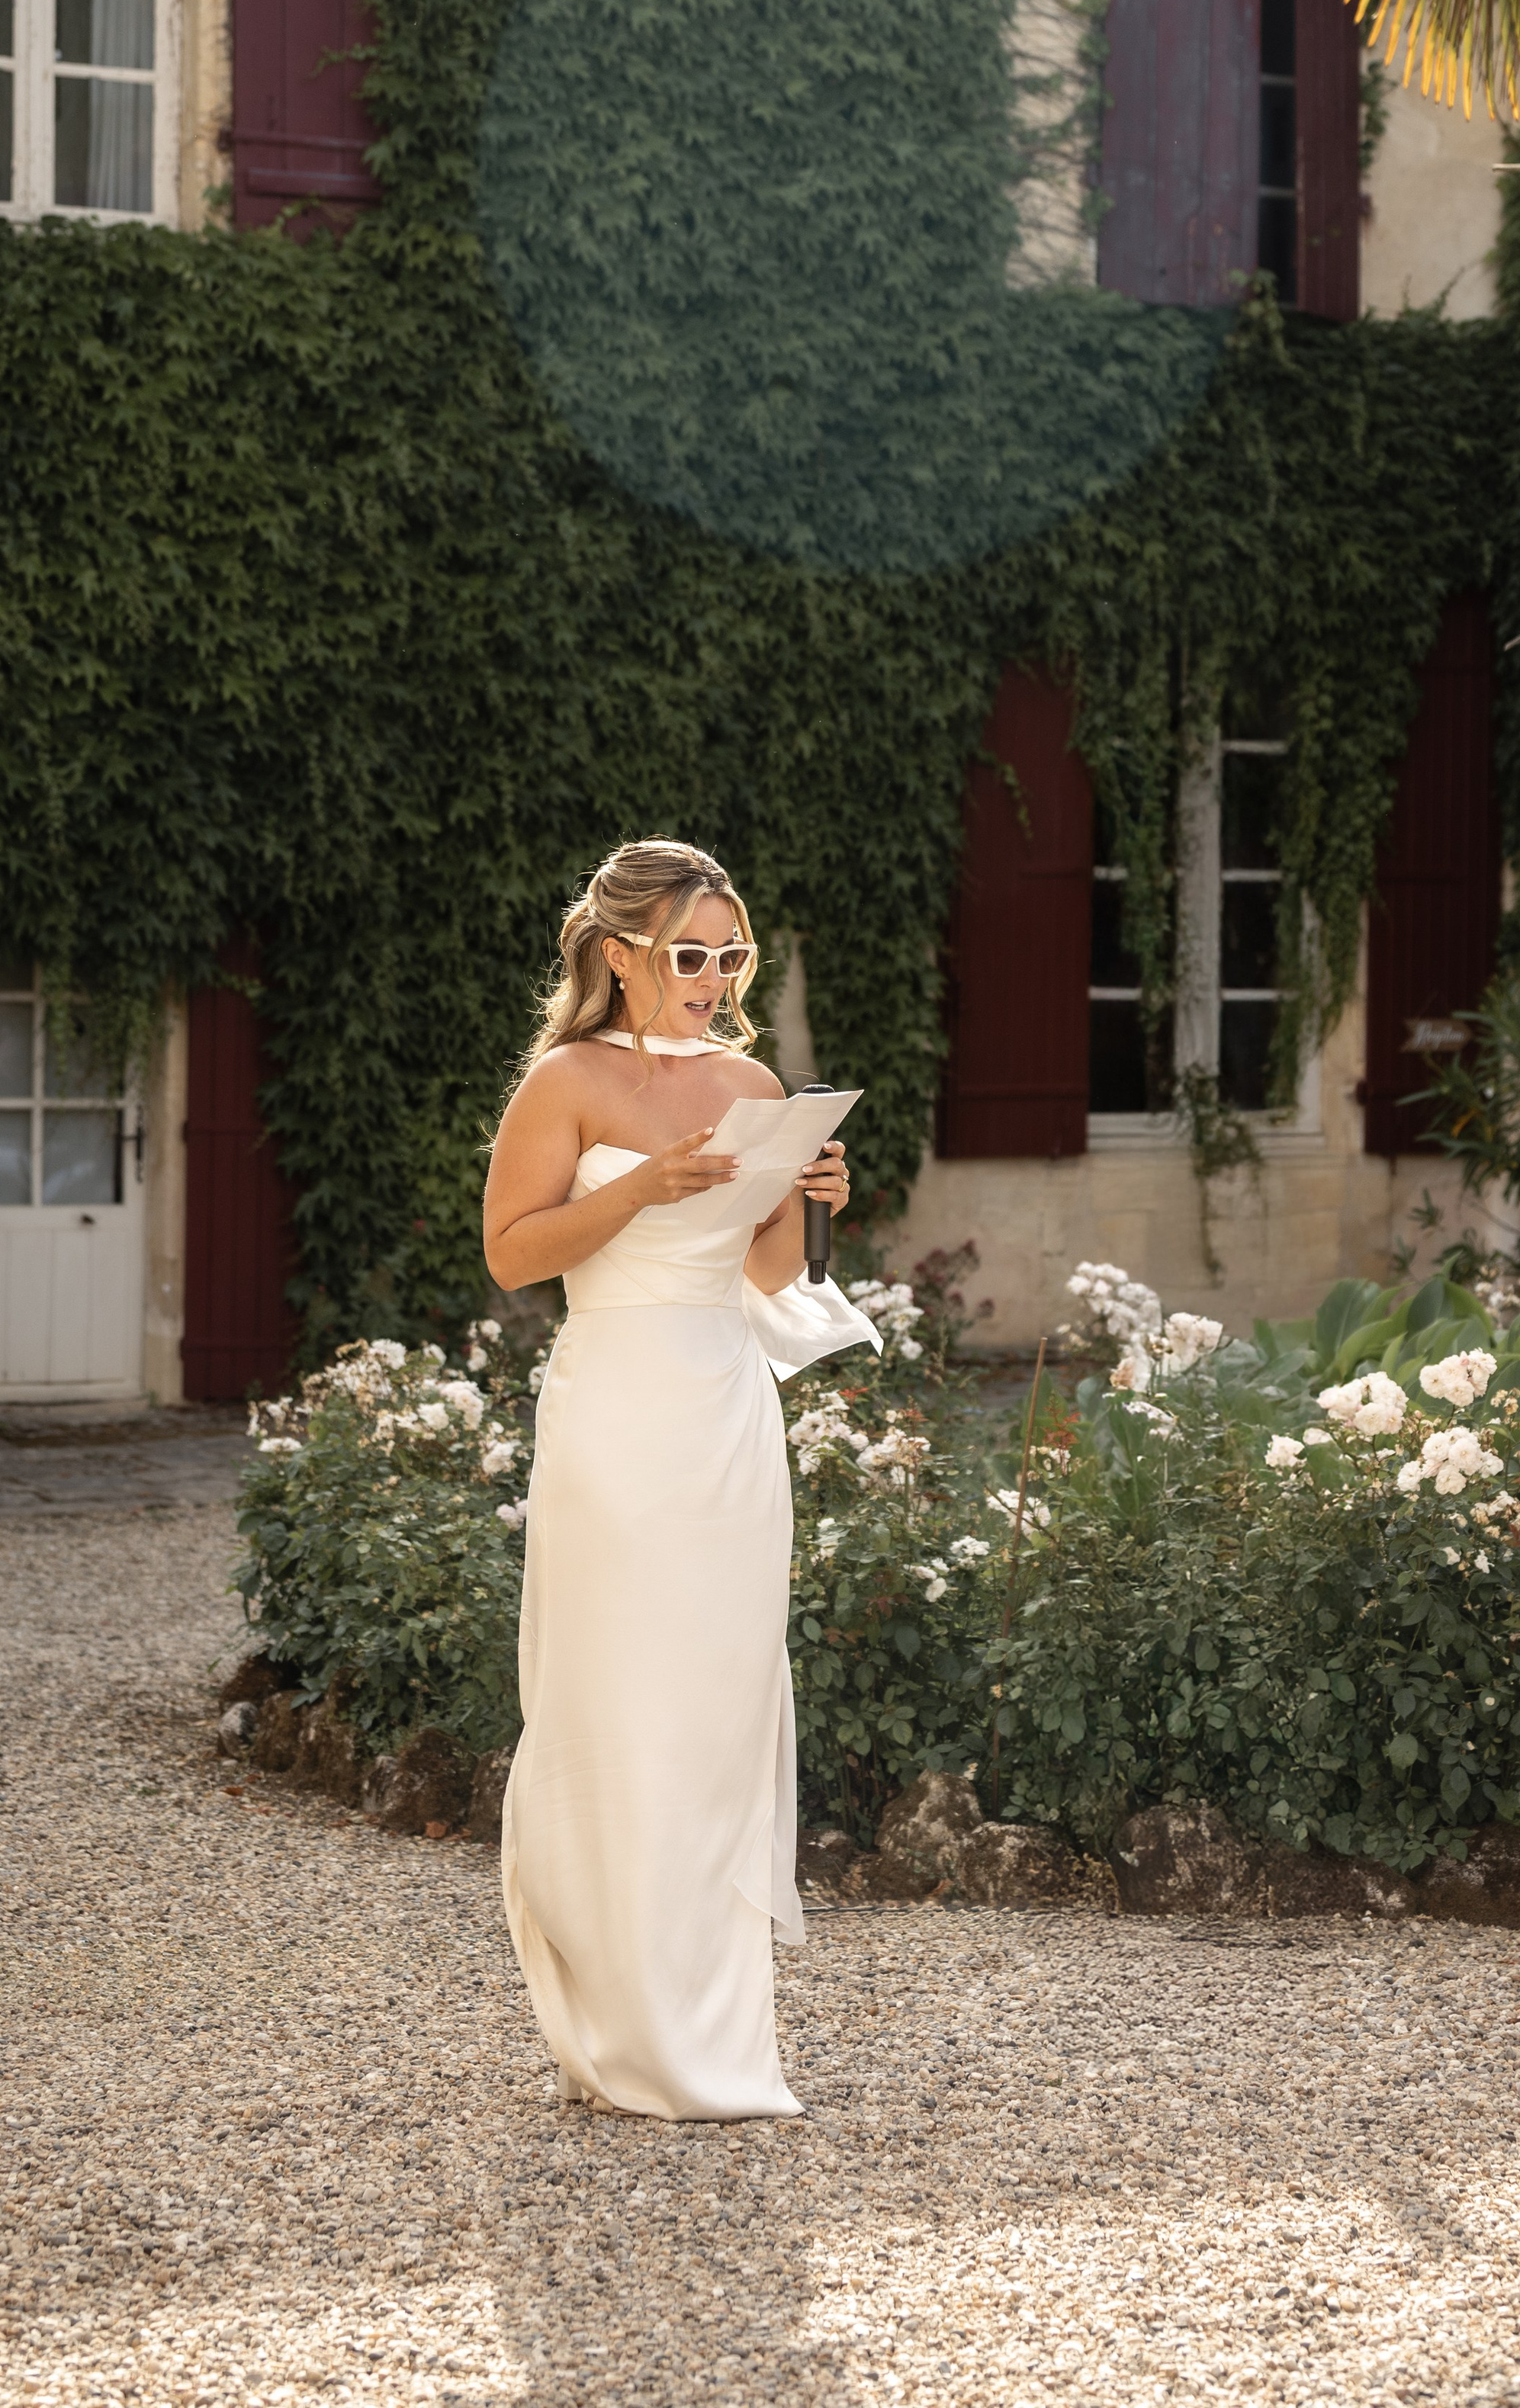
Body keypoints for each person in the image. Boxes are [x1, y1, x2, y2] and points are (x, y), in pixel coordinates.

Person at [482, 839, 878, 2121]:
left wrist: (811, 1197)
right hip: (617, 1415)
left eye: (732, 956)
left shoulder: (752, 1080)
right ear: (617, 956)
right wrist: (649, 1183)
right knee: (618, 1709)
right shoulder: (567, 1080)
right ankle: (619, 2025)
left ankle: (714, 2033)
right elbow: (512, 1254)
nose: (714, 979)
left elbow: (762, 1276)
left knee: (714, 1714)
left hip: (725, 1417)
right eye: (690, 957)